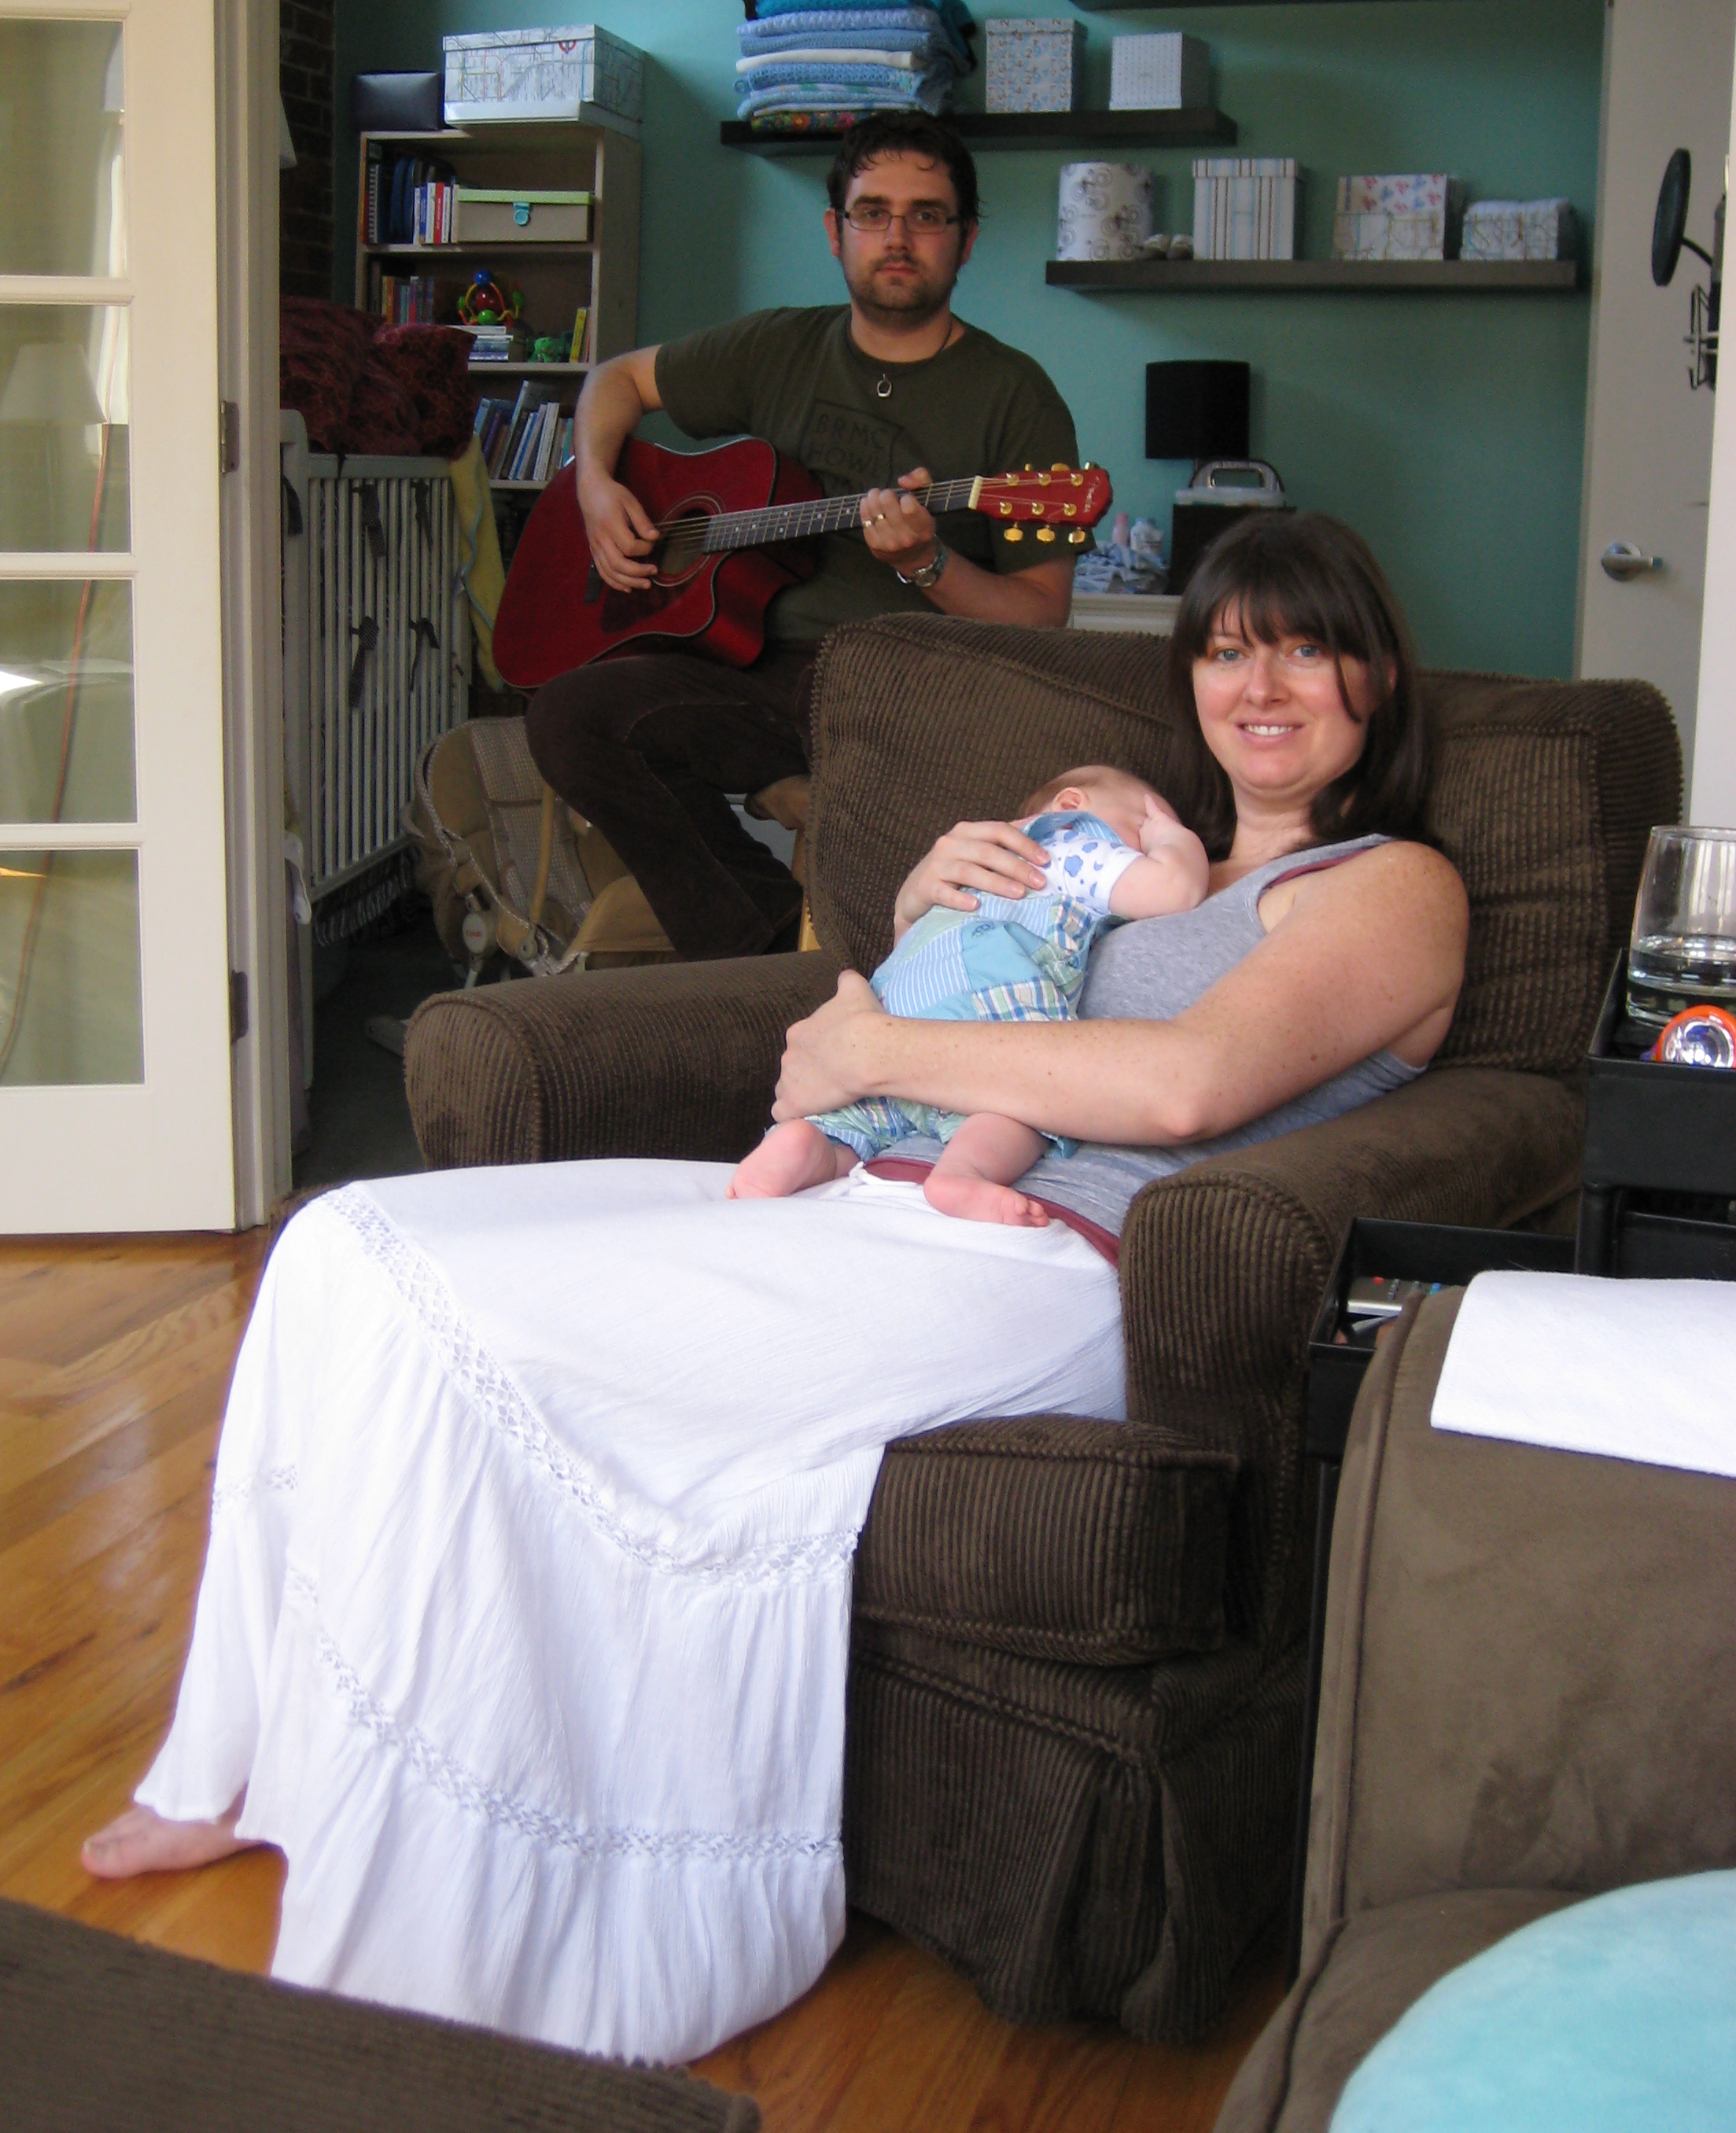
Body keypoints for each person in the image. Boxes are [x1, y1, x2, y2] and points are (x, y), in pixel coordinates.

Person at [81, 512, 1468, 2068]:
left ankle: (454, 1904)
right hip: (874, 1190)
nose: (1260, 684)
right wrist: (941, 909)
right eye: (1226, 648)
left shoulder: (1388, 884)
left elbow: (1194, 1087)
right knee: (344, 1248)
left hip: (1043, 1259)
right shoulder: (1133, 848)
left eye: (1303, 644)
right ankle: (245, 1759)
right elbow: (973, 993)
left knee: (461, 1327)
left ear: (1379, 675)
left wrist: (877, 1048)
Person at [525, 109, 1081, 961]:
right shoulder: (780, 346)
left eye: (928, 215)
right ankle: (768, 946)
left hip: (910, 686)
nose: (899, 236)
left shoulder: (1018, 395)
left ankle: (800, 905)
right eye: (873, 212)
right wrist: (597, 484)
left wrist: (929, 563)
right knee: (569, 715)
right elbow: (617, 379)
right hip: (757, 675)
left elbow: (1042, 616)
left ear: (965, 240)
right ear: (835, 231)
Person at [728, 764, 1210, 1225]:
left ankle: (801, 1147)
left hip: (898, 996)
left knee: (867, 1117)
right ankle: (963, 1175)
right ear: (1071, 804)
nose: (1144, 845)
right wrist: (1173, 840)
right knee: (1021, 1098)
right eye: (1141, 825)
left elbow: (915, 947)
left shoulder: (969, 871)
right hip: (985, 981)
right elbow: (1172, 891)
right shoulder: (1071, 845)